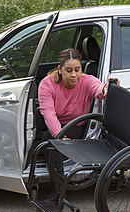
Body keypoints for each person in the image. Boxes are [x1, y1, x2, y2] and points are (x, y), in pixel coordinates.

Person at [38, 48, 113, 203]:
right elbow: (49, 114)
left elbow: (99, 89)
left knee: (48, 140)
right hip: (59, 126)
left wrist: (107, 88)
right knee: (45, 140)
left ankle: (58, 191)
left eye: (77, 70)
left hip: (79, 127)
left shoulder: (87, 80)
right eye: (69, 70)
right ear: (59, 69)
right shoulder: (47, 84)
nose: (74, 75)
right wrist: (60, 137)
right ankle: (58, 186)